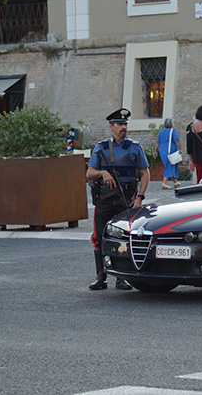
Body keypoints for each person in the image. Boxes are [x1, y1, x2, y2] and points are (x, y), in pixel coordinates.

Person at [86, 108, 150, 290]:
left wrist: (140, 197)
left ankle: (122, 277)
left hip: (126, 200)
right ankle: (101, 276)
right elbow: (89, 173)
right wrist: (102, 172)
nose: (124, 127)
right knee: (99, 237)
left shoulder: (134, 147)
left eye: (125, 124)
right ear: (111, 127)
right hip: (105, 199)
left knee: (124, 238)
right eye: (120, 124)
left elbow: (145, 174)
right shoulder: (101, 147)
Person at [153, 118, 182, 189]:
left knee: (169, 165)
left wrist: (155, 151)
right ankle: (164, 183)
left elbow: (158, 142)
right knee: (170, 165)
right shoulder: (173, 131)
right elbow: (177, 141)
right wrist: (180, 148)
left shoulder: (161, 132)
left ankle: (175, 182)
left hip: (162, 151)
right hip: (171, 150)